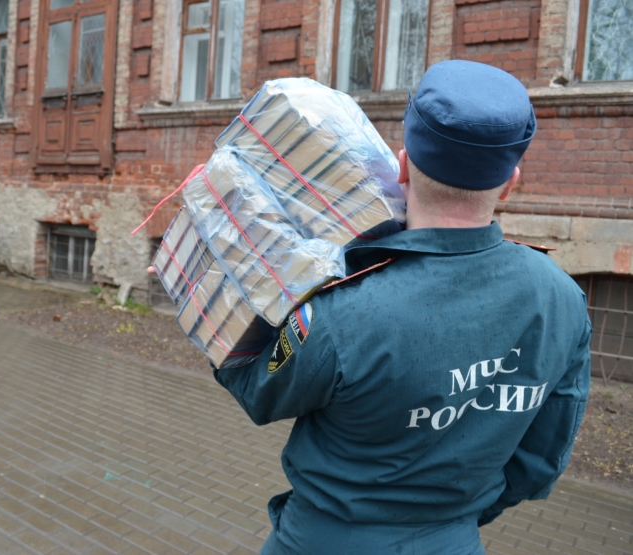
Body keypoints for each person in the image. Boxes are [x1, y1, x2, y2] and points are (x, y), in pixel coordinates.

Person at [213, 61, 592, 554]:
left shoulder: (346, 310)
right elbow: (540, 461)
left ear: (404, 165)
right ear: (509, 182)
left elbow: (259, 391)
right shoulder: (562, 298)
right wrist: (448, 521)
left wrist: (217, 299)